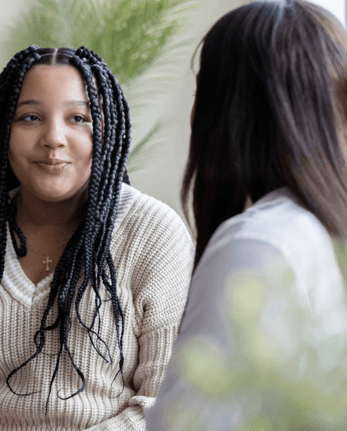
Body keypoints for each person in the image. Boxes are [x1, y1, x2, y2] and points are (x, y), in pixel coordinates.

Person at [0, 46, 194, 430]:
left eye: (78, 118)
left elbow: (170, 403)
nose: (53, 138)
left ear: (107, 130)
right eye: (30, 117)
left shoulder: (154, 235)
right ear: (2, 129)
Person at [146, 1, 347, 429]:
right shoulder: (316, 232)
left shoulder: (257, 245)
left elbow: (188, 424)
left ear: (225, 110)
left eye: (202, 90)